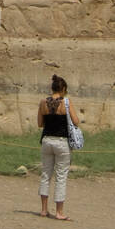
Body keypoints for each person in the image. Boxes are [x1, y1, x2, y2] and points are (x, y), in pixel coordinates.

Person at [37, 73, 80, 220]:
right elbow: (76, 121)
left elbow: (40, 124)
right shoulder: (66, 102)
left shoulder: (43, 102)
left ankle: (43, 209)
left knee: (45, 175)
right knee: (61, 176)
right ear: (64, 89)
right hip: (61, 142)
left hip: (47, 140)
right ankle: (59, 212)